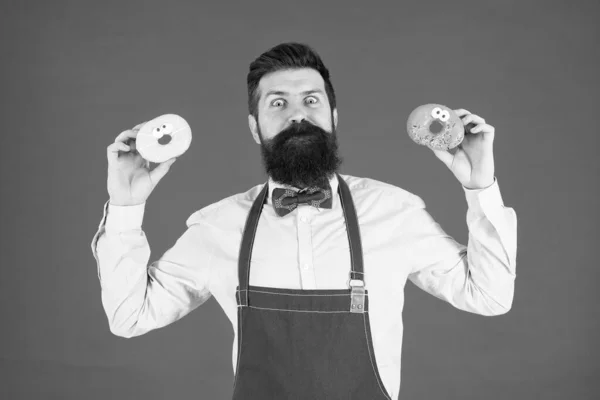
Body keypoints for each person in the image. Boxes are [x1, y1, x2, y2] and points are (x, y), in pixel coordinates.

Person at [91, 42, 517, 400]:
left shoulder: (394, 213)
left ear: (333, 116)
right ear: (255, 127)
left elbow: (489, 296)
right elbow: (130, 316)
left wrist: (480, 187)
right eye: (278, 103)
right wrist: (126, 207)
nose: (298, 114)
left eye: (311, 100)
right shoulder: (218, 226)